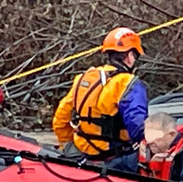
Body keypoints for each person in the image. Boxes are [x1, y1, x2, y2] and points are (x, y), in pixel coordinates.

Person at [52, 27, 149, 163]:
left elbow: (60, 119)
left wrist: (67, 145)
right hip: (116, 158)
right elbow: (137, 125)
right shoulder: (127, 83)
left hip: (81, 154)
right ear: (130, 56)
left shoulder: (84, 78)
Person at [109, 112, 183, 182]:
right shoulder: (144, 151)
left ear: (172, 134)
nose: (150, 141)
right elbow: (112, 168)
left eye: (156, 136)